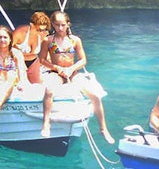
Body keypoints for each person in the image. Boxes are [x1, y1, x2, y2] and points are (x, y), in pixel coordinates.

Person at [38, 10, 112, 143]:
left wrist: (71, 68)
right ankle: (46, 123)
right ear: (53, 25)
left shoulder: (75, 40)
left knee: (94, 95)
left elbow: (83, 60)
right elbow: (42, 60)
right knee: (49, 91)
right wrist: (57, 68)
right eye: (57, 25)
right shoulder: (48, 40)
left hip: (73, 73)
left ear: (68, 24)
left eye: (63, 25)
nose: (60, 28)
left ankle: (103, 128)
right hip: (56, 73)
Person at [11, 11, 51, 84]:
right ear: (32, 25)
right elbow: (6, 49)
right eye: (39, 30)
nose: (41, 32)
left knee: (37, 85)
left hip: (33, 61)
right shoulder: (20, 33)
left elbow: (52, 46)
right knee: (21, 84)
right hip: (17, 62)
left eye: (44, 29)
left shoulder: (43, 34)